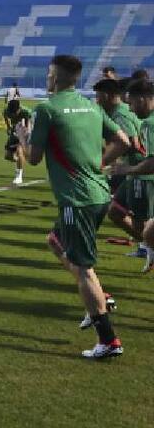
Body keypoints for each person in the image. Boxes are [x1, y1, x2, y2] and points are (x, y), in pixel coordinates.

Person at [14, 55, 130, 358]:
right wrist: (98, 164)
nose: (47, 78)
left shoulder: (46, 110)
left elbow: (34, 158)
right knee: (55, 240)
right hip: (100, 194)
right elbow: (123, 141)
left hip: (76, 200)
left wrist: (22, 136)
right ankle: (99, 297)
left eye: (49, 74)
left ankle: (108, 339)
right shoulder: (91, 106)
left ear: (55, 77)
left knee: (83, 267)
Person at [92, 78, 146, 247]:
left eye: (98, 96)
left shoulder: (120, 114)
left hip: (140, 170)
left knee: (120, 212)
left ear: (106, 96)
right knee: (117, 210)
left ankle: (147, 245)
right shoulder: (119, 111)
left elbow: (133, 143)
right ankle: (145, 245)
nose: (96, 101)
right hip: (133, 169)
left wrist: (104, 160)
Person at [110, 78, 154, 271]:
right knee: (116, 212)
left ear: (143, 99)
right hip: (138, 175)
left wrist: (126, 169)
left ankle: (148, 248)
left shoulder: (149, 124)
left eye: (132, 103)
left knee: (143, 226)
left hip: (143, 178)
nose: (130, 109)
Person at [2, 98, 31, 186]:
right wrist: (8, 127)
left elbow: (29, 123)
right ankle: (21, 160)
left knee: (19, 151)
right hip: (15, 131)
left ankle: (19, 176)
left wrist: (26, 132)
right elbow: (6, 117)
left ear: (19, 109)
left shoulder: (26, 112)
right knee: (8, 156)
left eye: (15, 112)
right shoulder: (7, 111)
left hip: (25, 130)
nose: (13, 114)